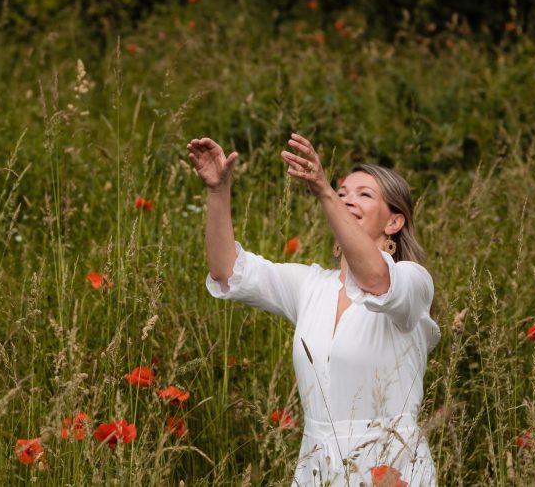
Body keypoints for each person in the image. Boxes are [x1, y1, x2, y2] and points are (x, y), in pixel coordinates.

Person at [187, 132, 440, 486]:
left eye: (364, 195)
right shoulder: (311, 286)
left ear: (394, 223)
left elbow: (377, 280)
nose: (347, 199)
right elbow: (227, 271)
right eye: (342, 193)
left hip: (391, 466)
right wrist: (218, 190)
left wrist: (324, 190)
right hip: (318, 468)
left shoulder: (414, 282)